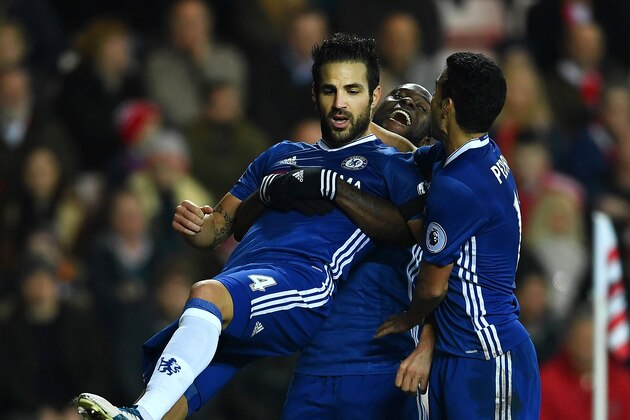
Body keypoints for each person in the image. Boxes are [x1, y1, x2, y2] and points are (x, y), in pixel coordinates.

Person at [74, 33, 427, 420]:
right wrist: (199, 227)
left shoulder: (393, 164)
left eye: (352, 90)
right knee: (188, 379)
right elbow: (220, 226)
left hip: (302, 281)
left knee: (206, 294)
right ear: (314, 94)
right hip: (244, 273)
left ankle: (140, 415)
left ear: (373, 97)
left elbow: (416, 228)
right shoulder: (281, 154)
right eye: (329, 90)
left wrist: (330, 183)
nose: (339, 103)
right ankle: (141, 415)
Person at [376, 52, 541, 418]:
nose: (432, 100)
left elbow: (434, 287)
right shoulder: (469, 155)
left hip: (489, 355)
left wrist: (409, 319)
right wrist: (357, 123)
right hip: (461, 351)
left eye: (435, 92)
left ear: (446, 107)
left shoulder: (457, 187)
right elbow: (405, 155)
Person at [280, 82, 434, 420]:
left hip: (384, 369)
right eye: (398, 96)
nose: (405, 102)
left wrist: (428, 345)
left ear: (426, 143)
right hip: (314, 366)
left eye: (420, 107)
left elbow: (453, 276)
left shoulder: (431, 193)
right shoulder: (320, 162)